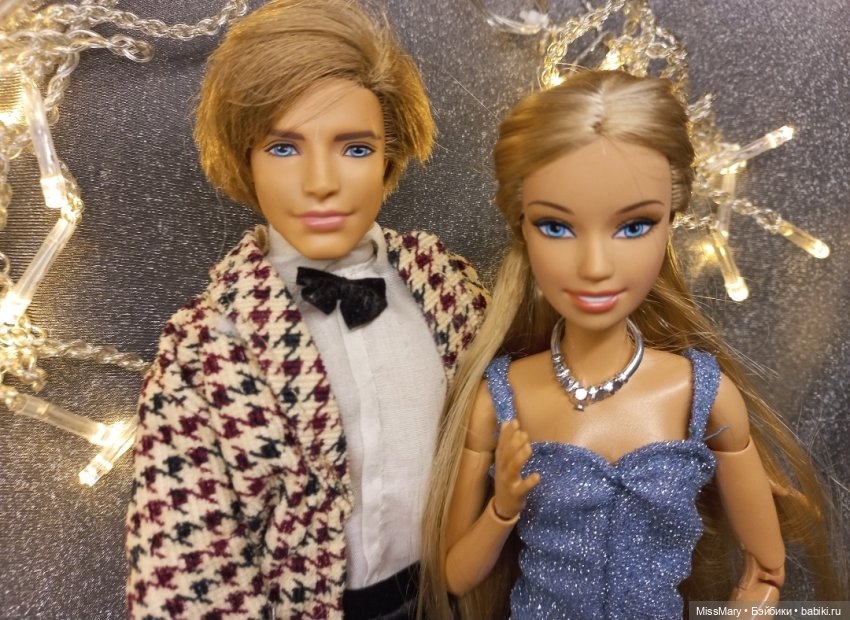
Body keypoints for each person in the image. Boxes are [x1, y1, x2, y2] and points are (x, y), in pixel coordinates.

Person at [419, 70, 841, 620]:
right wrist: (501, 511)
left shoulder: (700, 394)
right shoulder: (501, 400)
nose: (596, 267)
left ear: (671, 223)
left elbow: (765, 572)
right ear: (521, 227)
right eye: (556, 227)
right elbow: (453, 575)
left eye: (635, 226)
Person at [124, 1, 487, 618]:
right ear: (244, 158)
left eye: (355, 148)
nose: (321, 182)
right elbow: (185, 571)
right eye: (284, 148)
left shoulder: (445, 286)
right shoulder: (205, 347)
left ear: (389, 155)